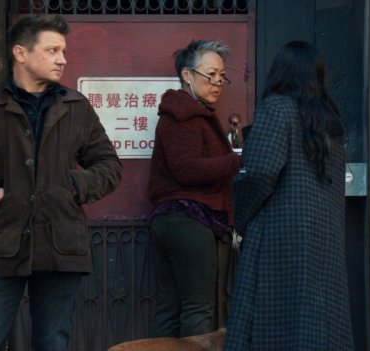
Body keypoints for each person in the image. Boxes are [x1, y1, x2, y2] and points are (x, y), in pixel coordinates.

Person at [0, 14, 122, 351]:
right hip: (1, 245)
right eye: (52, 50)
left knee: (53, 342)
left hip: (61, 245)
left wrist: (76, 186)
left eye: (63, 50)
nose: (62, 58)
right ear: (21, 53)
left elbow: (109, 166)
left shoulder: (75, 107)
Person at [223, 40, 354, 350]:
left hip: (279, 238)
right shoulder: (330, 124)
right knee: (317, 324)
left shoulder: (276, 108)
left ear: (280, 71)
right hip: (325, 240)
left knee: (273, 326)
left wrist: (241, 218)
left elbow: (259, 172)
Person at [147, 39, 243, 338]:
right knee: (198, 308)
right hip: (188, 218)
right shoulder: (183, 116)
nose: (217, 82)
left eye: (221, 76)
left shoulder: (190, 114)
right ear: (187, 75)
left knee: (170, 307)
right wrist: (235, 161)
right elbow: (186, 169)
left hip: (174, 219)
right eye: (210, 74)